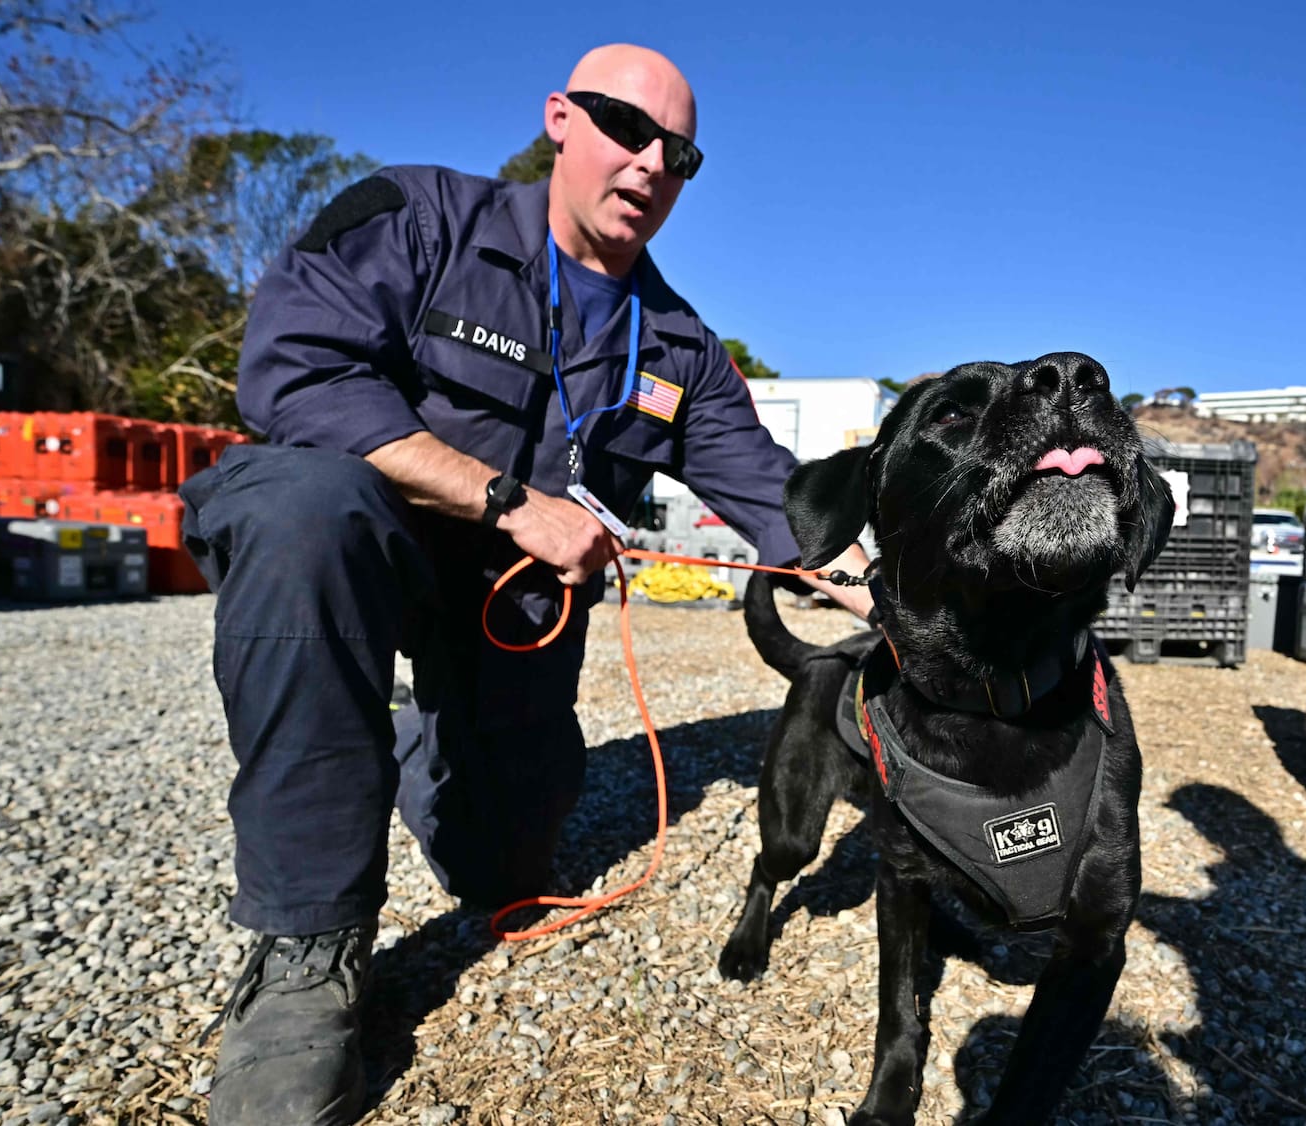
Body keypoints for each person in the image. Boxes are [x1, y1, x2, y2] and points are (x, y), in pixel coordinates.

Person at [179, 44, 873, 1125]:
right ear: (559, 118)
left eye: (679, 154)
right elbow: (294, 372)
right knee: (299, 508)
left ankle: (420, 744)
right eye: (625, 128)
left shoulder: (679, 347)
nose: (651, 164)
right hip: (360, 554)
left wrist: (906, 602)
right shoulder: (421, 221)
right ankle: (304, 954)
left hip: (512, 612)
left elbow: (781, 504)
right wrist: (508, 501)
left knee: (504, 869)